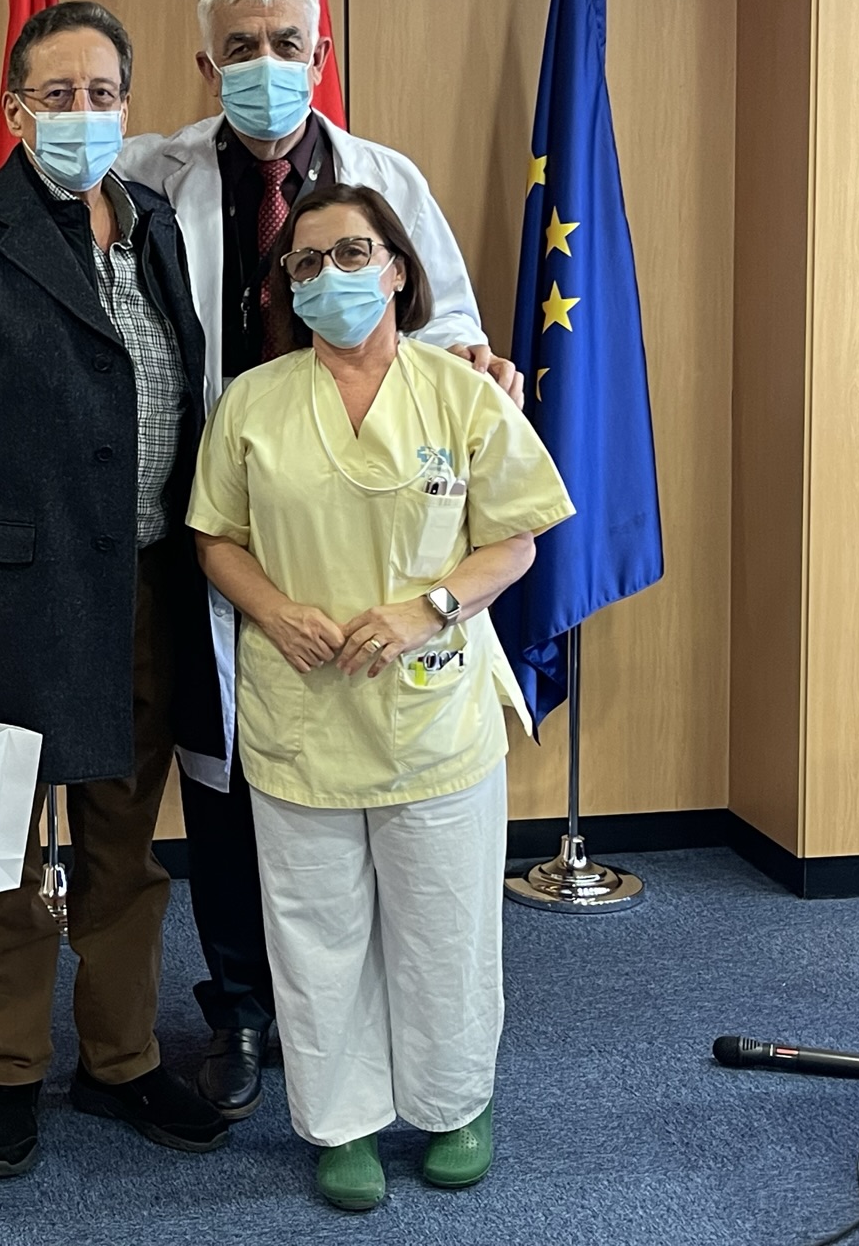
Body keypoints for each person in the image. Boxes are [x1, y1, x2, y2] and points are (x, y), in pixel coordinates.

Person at [0, 0, 524, 1119]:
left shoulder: (365, 183)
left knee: (172, 821)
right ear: (203, 63)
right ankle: (158, 1032)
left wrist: (483, 364)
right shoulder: (123, 184)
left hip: (295, 553)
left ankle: (230, 1045)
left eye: (286, 44)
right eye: (239, 47)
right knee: (133, 809)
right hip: (146, 558)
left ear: (320, 55)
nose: (264, 66)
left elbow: (445, 335)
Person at [0, 0, 229, 1179]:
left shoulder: (154, 222)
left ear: (128, 105)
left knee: (125, 852)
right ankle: (7, 1072)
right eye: (57, 94)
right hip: (4, 612)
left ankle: (119, 1061)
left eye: (102, 93)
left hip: (143, 593)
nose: (83, 112)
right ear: (15, 110)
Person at [187, 184, 573, 1210]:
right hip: (302, 710)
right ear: (286, 287)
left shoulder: (461, 393)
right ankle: (343, 1123)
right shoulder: (252, 403)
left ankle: (453, 1105)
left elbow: (516, 540)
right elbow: (215, 539)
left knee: (443, 923)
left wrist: (426, 610)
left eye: (352, 253)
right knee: (317, 932)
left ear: (398, 268)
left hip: (431, 707)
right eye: (306, 263)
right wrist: (274, 611)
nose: (331, 277)